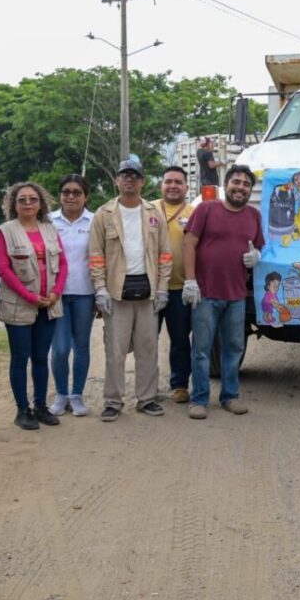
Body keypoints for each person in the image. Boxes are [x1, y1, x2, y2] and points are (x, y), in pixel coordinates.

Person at [88, 159, 172, 422]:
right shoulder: (104, 214)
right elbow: (95, 255)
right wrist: (100, 288)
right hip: (116, 292)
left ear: (142, 182)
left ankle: (146, 398)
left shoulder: (154, 213)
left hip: (147, 293)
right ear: (117, 180)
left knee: (148, 347)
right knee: (115, 349)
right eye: (124, 175)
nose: (129, 180)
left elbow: (165, 254)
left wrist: (162, 289)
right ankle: (113, 401)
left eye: (135, 176)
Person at [182, 164, 264, 420]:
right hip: (205, 293)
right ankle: (199, 399)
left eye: (246, 184)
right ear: (226, 185)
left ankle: (230, 396)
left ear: (250, 190)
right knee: (202, 349)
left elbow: (259, 245)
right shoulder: (207, 209)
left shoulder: (253, 216)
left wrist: (257, 256)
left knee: (234, 348)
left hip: (237, 295)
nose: (240, 187)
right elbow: (190, 242)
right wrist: (190, 280)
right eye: (236, 182)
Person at [0, 182, 68, 430]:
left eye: (33, 199)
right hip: (19, 304)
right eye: (22, 200)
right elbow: (3, 269)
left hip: (48, 304)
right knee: (20, 358)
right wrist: (28, 295)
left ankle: (40, 406)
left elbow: (64, 264)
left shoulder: (50, 229)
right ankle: (22, 409)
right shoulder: (5, 231)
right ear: (13, 204)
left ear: (41, 203)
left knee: (40, 358)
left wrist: (56, 293)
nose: (28, 203)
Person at [48, 174, 94, 417]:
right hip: (56, 294)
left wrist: (100, 292)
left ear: (86, 197)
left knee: (82, 346)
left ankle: (76, 394)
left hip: (85, 293)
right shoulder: (48, 221)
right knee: (61, 348)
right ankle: (60, 394)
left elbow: (100, 258)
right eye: (66, 191)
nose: (71, 196)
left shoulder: (94, 221)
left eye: (77, 192)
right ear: (60, 195)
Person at [153, 166, 194, 404]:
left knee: (180, 339)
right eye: (168, 181)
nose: (173, 186)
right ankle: (147, 386)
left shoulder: (194, 212)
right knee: (147, 340)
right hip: (150, 289)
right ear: (161, 185)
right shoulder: (148, 209)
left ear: (186, 187)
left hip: (180, 288)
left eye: (178, 182)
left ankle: (179, 385)